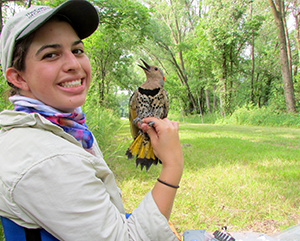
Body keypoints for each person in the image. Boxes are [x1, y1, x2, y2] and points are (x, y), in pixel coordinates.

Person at [0, 0, 184, 240]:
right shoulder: (46, 158)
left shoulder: (63, 128)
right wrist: (173, 165)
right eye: (51, 54)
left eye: (77, 50)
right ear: (18, 78)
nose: (74, 64)